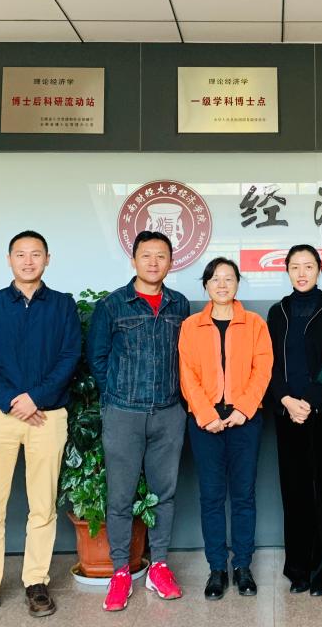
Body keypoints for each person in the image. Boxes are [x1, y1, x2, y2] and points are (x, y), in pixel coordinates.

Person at [0, 231, 81, 626]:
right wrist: (13, 400)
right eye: (21, 254)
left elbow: (70, 356)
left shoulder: (62, 305)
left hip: (47, 415)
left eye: (36, 254)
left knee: (42, 505)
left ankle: (36, 583)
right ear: (9, 259)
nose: (28, 261)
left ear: (48, 259)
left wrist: (36, 398)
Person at [88, 230, 191, 609]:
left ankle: (159, 566)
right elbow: (98, 358)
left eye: (161, 256)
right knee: (120, 496)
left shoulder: (179, 305)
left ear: (171, 262)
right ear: (133, 260)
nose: (153, 262)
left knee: (165, 493)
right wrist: (117, 396)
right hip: (123, 413)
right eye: (146, 255)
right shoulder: (112, 305)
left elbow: (187, 356)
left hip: (169, 412)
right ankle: (120, 571)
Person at [179, 257, 272, 600]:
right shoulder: (191, 326)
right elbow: (187, 373)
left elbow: (262, 369)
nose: (222, 284)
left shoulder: (254, 323)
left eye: (228, 278)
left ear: (237, 283)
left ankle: (243, 565)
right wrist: (206, 414)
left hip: (245, 421)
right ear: (206, 285)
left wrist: (243, 409)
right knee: (212, 496)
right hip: (205, 423)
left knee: (244, 495)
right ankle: (217, 568)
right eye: (215, 279)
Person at [266, 244, 322, 597]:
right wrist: (286, 398)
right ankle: (298, 569)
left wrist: (311, 399)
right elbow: (268, 361)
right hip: (287, 413)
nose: (302, 273)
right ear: (287, 270)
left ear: (319, 269)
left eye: (309, 266)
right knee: (295, 492)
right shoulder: (277, 311)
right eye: (295, 267)